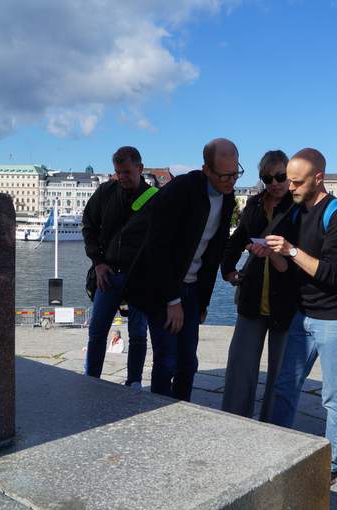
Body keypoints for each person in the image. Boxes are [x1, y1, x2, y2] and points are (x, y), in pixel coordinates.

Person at [265, 148, 337, 483]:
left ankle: (332, 467)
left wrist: (290, 250)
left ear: (318, 177)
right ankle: (274, 449)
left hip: (335, 319)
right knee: (285, 386)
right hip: (302, 315)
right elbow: (289, 269)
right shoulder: (294, 211)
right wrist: (271, 252)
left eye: (296, 181)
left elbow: (334, 275)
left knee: (333, 397)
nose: (289, 187)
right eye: (288, 180)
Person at [125, 138, 237, 401]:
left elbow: (212, 253)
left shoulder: (228, 196)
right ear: (206, 169)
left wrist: (202, 303)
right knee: (167, 360)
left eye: (235, 174)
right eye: (224, 176)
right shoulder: (182, 190)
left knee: (188, 362)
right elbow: (158, 248)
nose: (231, 182)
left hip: (192, 288)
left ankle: (182, 410)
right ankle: (159, 413)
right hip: (161, 287)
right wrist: (172, 300)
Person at [220, 150, 298, 422]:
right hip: (252, 295)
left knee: (280, 373)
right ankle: (234, 420)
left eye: (280, 176)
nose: (274, 183)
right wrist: (228, 270)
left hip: (286, 299)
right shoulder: (253, 205)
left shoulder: (298, 207)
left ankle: (273, 426)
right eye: (268, 177)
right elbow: (237, 239)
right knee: (240, 367)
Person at [82, 146, 155, 387]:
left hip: (140, 277)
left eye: (126, 172)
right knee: (97, 331)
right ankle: (92, 379)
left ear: (140, 168)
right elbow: (89, 226)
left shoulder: (155, 198)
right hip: (109, 273)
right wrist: (99, 263)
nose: (121, 177)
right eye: (117, 172)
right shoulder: (106, 192)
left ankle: (133, 382)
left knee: (137, 334)